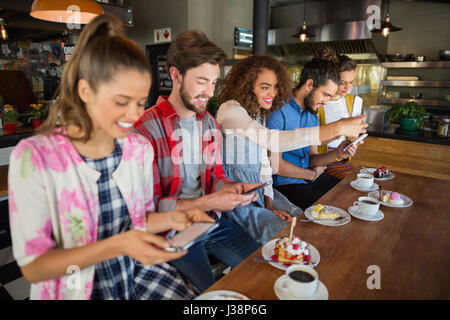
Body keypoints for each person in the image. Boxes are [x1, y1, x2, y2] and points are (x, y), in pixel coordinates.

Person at [8, 14, 212, 300]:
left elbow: (139, 221)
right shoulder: (36, 157)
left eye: (140, 103)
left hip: (132, 274)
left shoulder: (138, 149)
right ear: (86, 90)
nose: (133, 115)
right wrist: (119, 246)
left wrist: (175, 218)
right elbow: (35, 268)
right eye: (121, 102)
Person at [133, 30, 261, 292]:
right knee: (211, 296)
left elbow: (216, 176)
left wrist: (231, 190)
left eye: (214, 83)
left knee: (261, 270)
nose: (209, 92)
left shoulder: (209, 124)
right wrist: (210, 201)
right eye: (202, 81)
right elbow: (150, 208)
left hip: (211, 222)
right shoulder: (145, 129)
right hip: (172, 233)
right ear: (175, 75)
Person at [216, 55, 303, 245]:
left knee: (298, 217)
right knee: (280, 232)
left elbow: (264, 166)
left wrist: (269, 204)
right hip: (236, 195)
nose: (272, 92)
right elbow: (273, 141)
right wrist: (332, 129)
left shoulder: (258, 115)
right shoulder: (230, 110)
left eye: (275, 86)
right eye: (265, 87)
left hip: (260, 190)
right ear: (248, 87)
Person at [266, 49, 362, 210]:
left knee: (350, 196)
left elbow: (313, 158)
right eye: (325, 94)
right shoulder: (278, 110)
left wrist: (337, 154)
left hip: (310, 179)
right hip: (286, 185)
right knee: (329, 210)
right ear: (309, 84)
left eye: (329, 97)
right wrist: (310, 175)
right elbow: (276, 165)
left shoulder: (312, 115)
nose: (326, 102)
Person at [317, 51, 362, 180]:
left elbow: (354, 137)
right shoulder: (317, 101)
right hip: (320, 160)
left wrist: (355, 142)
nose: (347, 87)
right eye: (343, 82)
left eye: (351, 82)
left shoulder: (355, 102)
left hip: (343, 160)